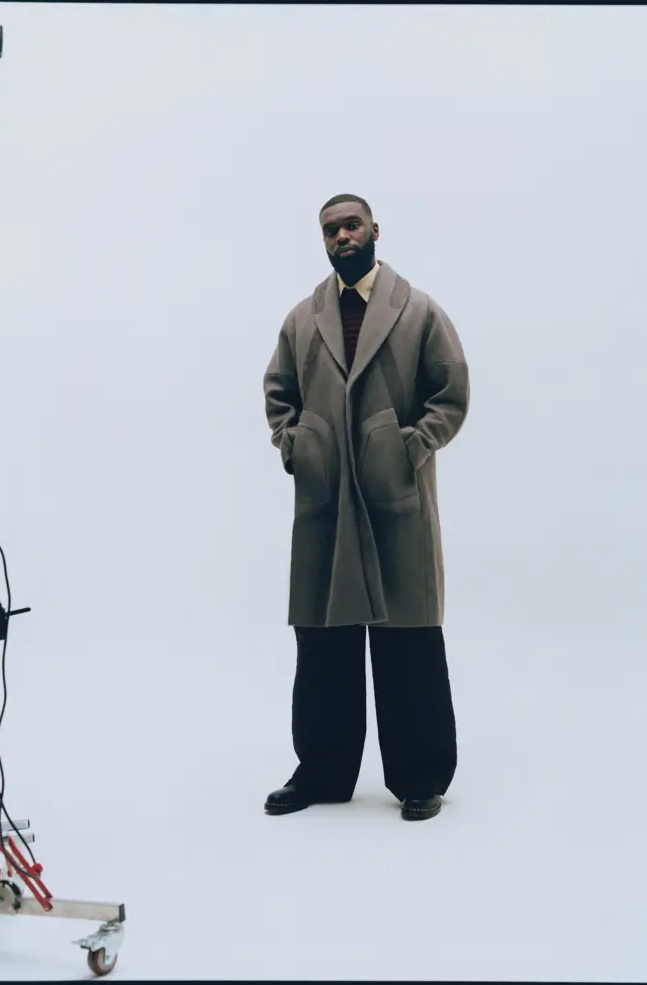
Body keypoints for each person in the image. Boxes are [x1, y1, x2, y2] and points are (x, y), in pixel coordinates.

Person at [262, 194, 469, 821]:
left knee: (408, 636)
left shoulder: (419, 311)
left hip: (395, 496)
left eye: (351, 225)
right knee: (323, 639)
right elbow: (278, 394)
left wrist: (411, 447)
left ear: (375, 229)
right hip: (326, 498)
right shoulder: (302, 319)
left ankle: (421, 775)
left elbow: (451, 392)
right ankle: (322, 772)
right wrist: (297, 445)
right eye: (331, 230)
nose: (342, 236)